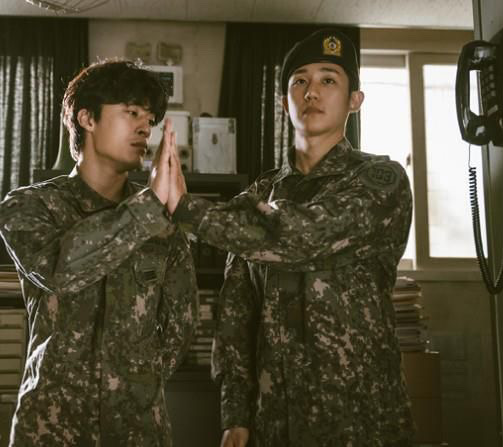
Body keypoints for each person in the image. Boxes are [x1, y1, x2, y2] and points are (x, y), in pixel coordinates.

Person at [160, 29, 415, 446]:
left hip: (361, 420)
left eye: (328, 79)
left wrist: (186, 208)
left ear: (354, 100)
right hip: (274, 421)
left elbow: (303, 236)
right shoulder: (259, 194)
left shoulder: (380, 181)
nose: (312, 91)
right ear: (284, 103)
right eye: (300, 81)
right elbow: (236, 316)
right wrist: (235, 415)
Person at [0, 60, 198, 447]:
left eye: (150, 119)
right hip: (51, 427)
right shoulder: (30, 206)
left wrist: (133, 382)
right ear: (87, 118)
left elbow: (180, 328)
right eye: (132, 112)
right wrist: (148, 205)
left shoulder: (163, 222)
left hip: (138, 430)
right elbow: (60, 270)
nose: (145, 127)